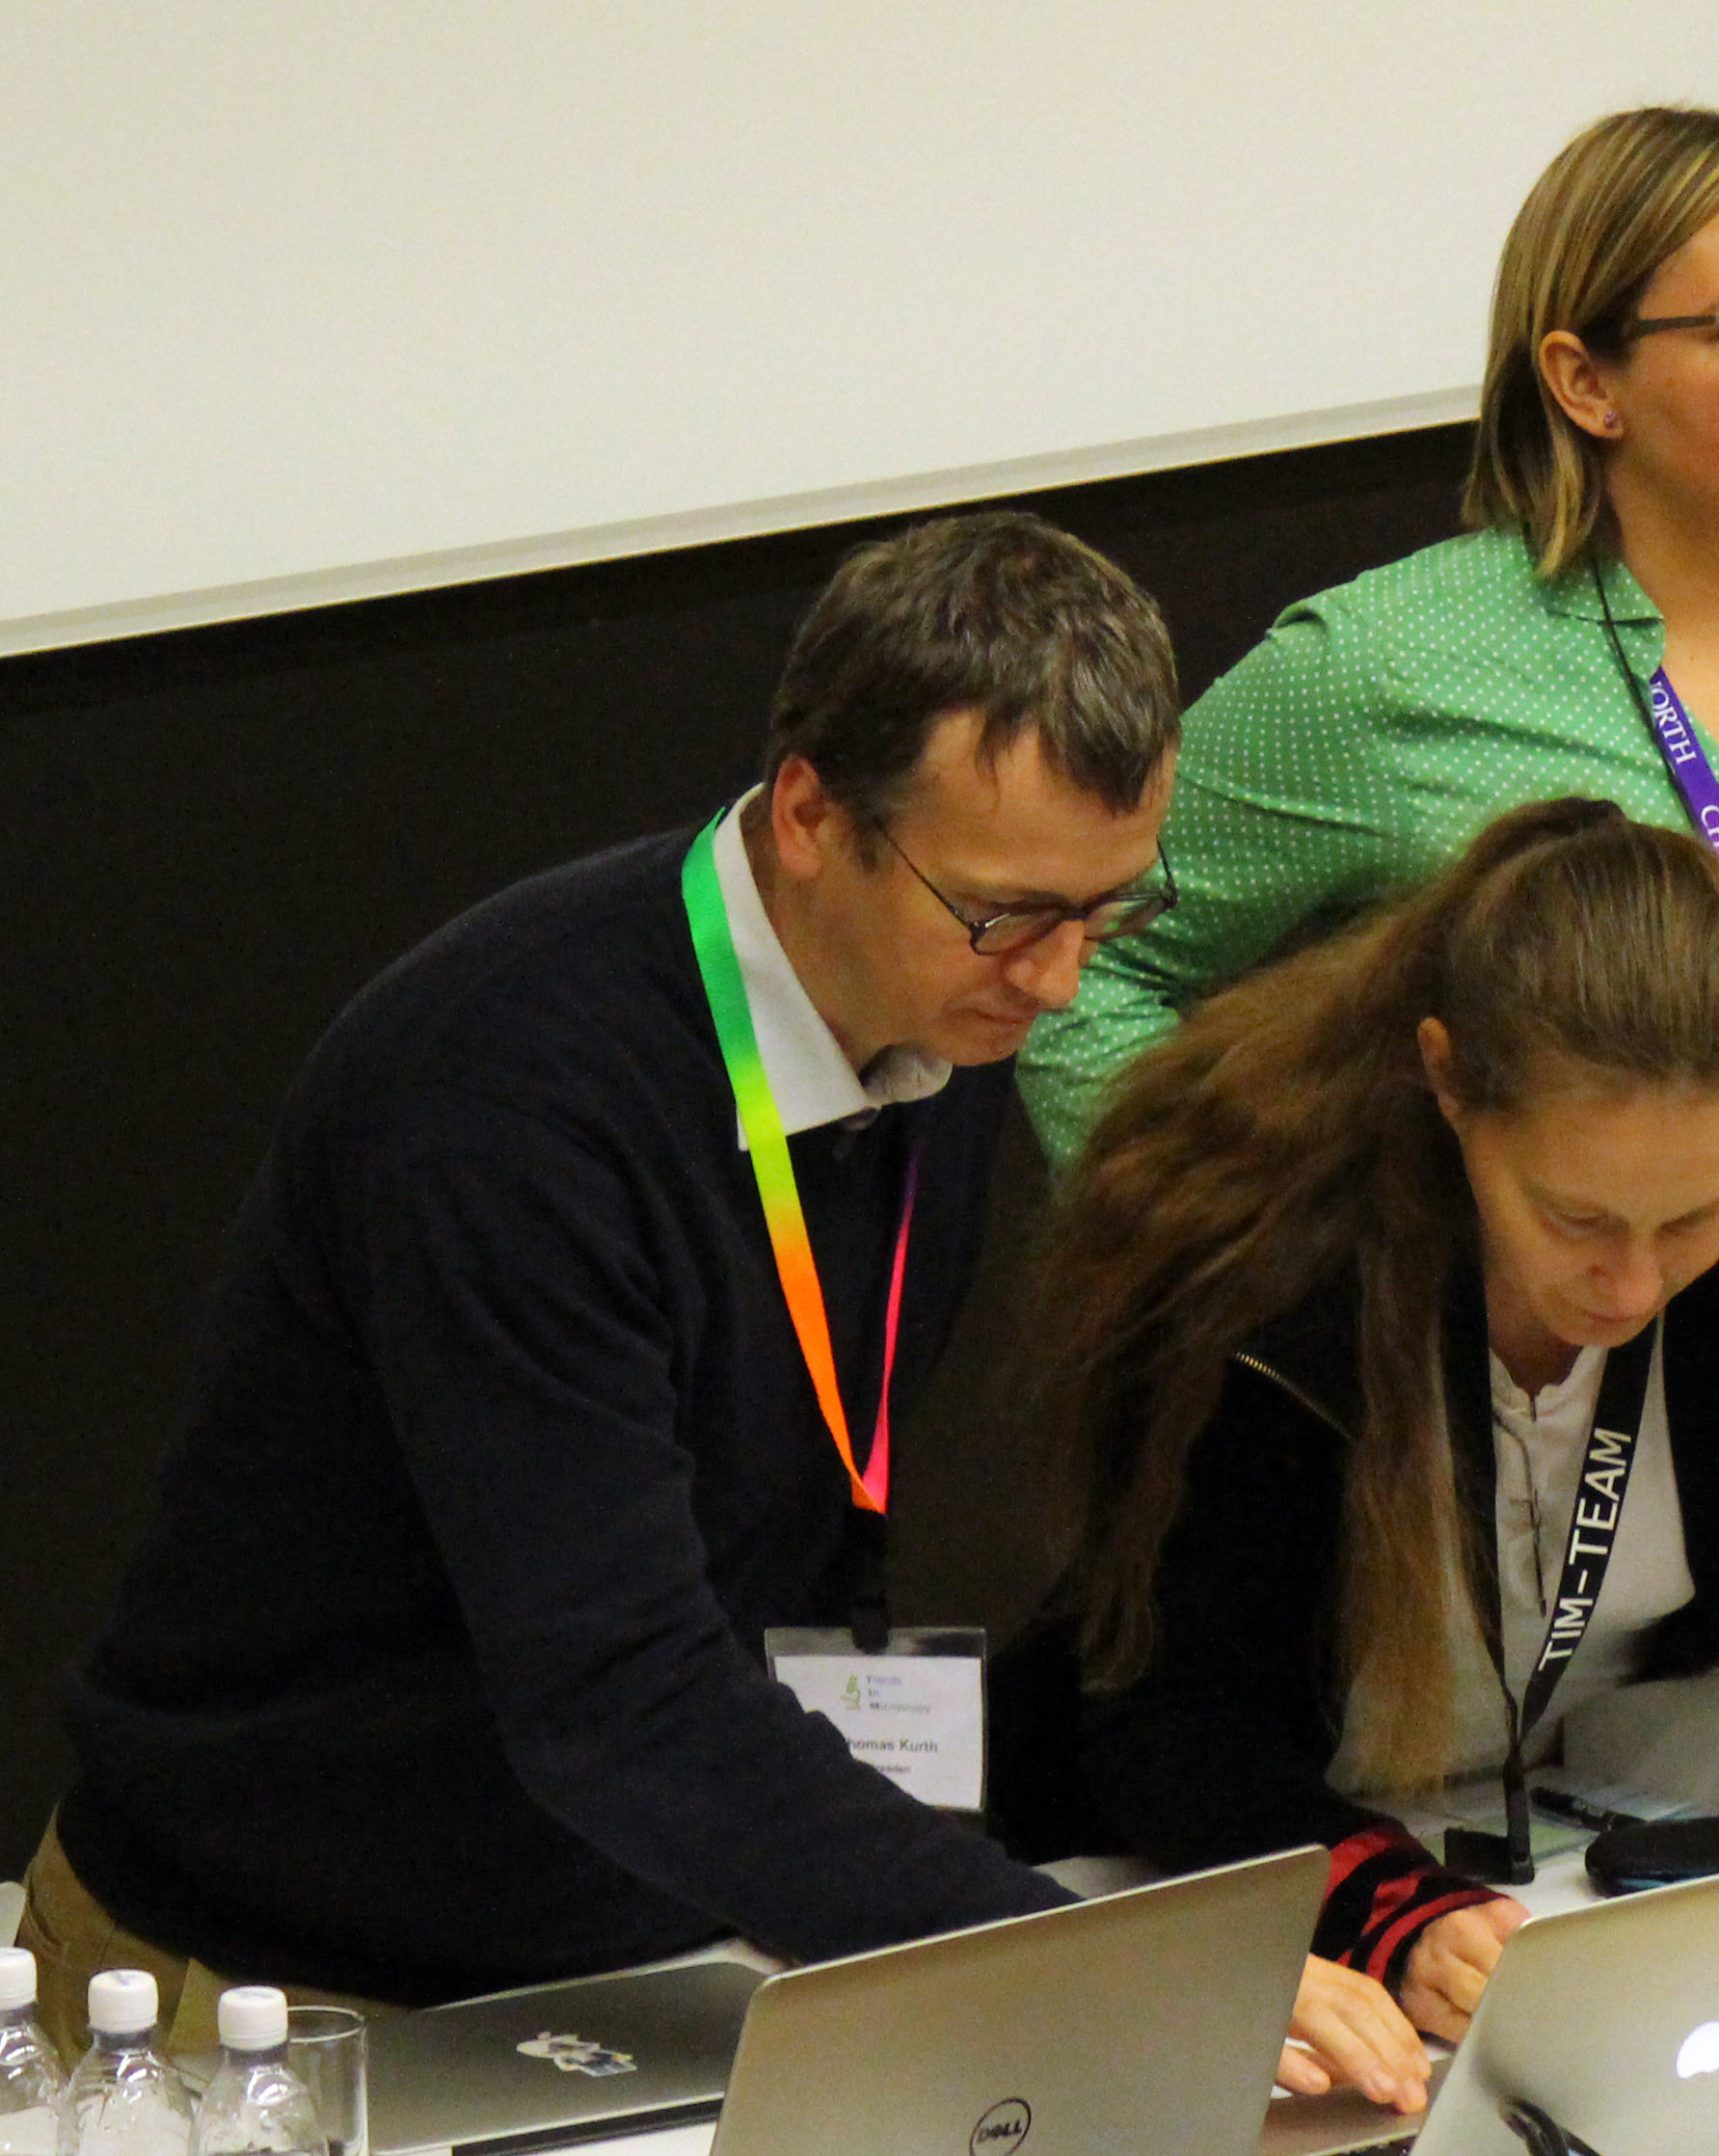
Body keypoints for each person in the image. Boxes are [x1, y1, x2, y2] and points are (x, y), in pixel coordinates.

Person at [17, 512, 1409, 2075]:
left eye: (1110, 910)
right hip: (265, 1993)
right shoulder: (507, 1104)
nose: (1061, 979)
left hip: (628, 1954)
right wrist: (1071, 1963)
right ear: (811, 814)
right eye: (1008, 915)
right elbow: (614, 1693)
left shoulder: (932, 1016)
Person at [1038, 799, 1719, 2098]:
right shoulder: (1262, 1244)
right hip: (1214, 1900)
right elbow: (1167, 1717)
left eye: (1695, 1219)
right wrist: (1385, 1911)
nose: (1631, 1283)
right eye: (1575, 1218)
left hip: (1589, 1860)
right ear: (1449, 1083)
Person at [1019, 104, 1719, 1371]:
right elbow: (1082, 958)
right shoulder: (1386, 666)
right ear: (1587, 381)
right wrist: (1261, 1277)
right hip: (1543, 1435)